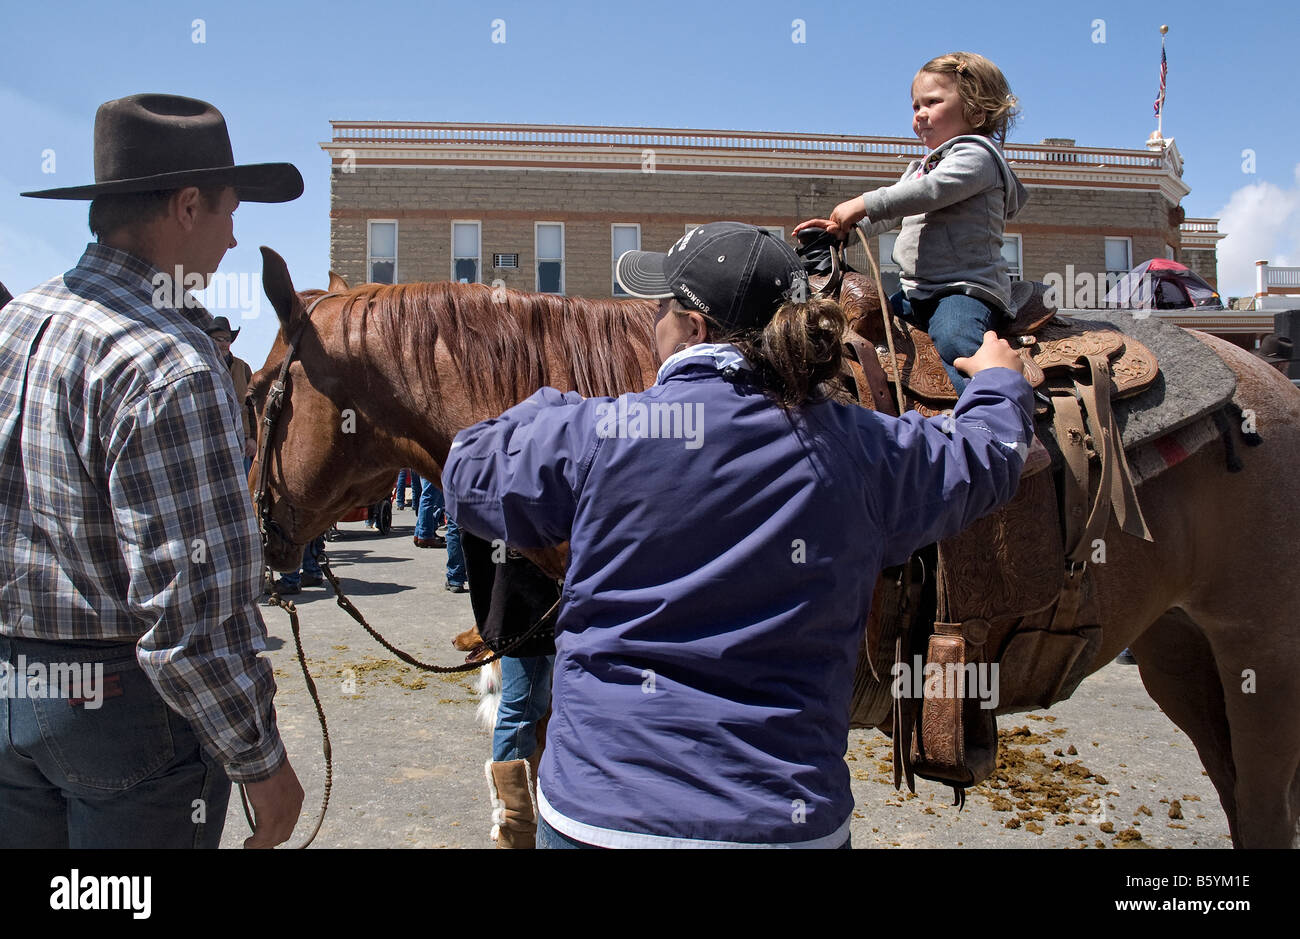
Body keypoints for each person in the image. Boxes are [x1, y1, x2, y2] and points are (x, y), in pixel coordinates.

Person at [443, 222, 1034, 848]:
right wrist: (999, 382)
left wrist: (554, 407)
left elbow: (467, 470)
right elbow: (989, 458)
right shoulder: (867, 449)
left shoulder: (597, 433)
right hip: (786, 819)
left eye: (663, 307)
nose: (652, 321)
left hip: (603, 812)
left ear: (694, 328)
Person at [0, 93, 305, 848]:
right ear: (190, 205)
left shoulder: (15, 324)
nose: (236, 239)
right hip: (122, 714)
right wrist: (262, 763)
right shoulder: (167, 361)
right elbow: (190, 619)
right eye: (232, 213)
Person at [795, 51, 1027, 394]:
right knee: (864, 323)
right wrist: (842, 233)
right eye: (915, 106)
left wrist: (862, 203)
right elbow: (891, 213)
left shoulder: (976, 157)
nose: (920, 115)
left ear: (976, 110)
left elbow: (928, 193)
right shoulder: (922, 166)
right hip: (916, 291)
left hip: (963, 289)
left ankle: (998, 413)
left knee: (955, 340)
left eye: (932, 102)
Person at [206, 315, 258, 474]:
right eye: (218, 339)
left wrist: (253, 438)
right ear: (209, 340)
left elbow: (253, 406)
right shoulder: (203, 366)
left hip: (241, 441)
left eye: (227, 339)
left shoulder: (243, 368)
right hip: (212, 441)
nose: (224, 343)